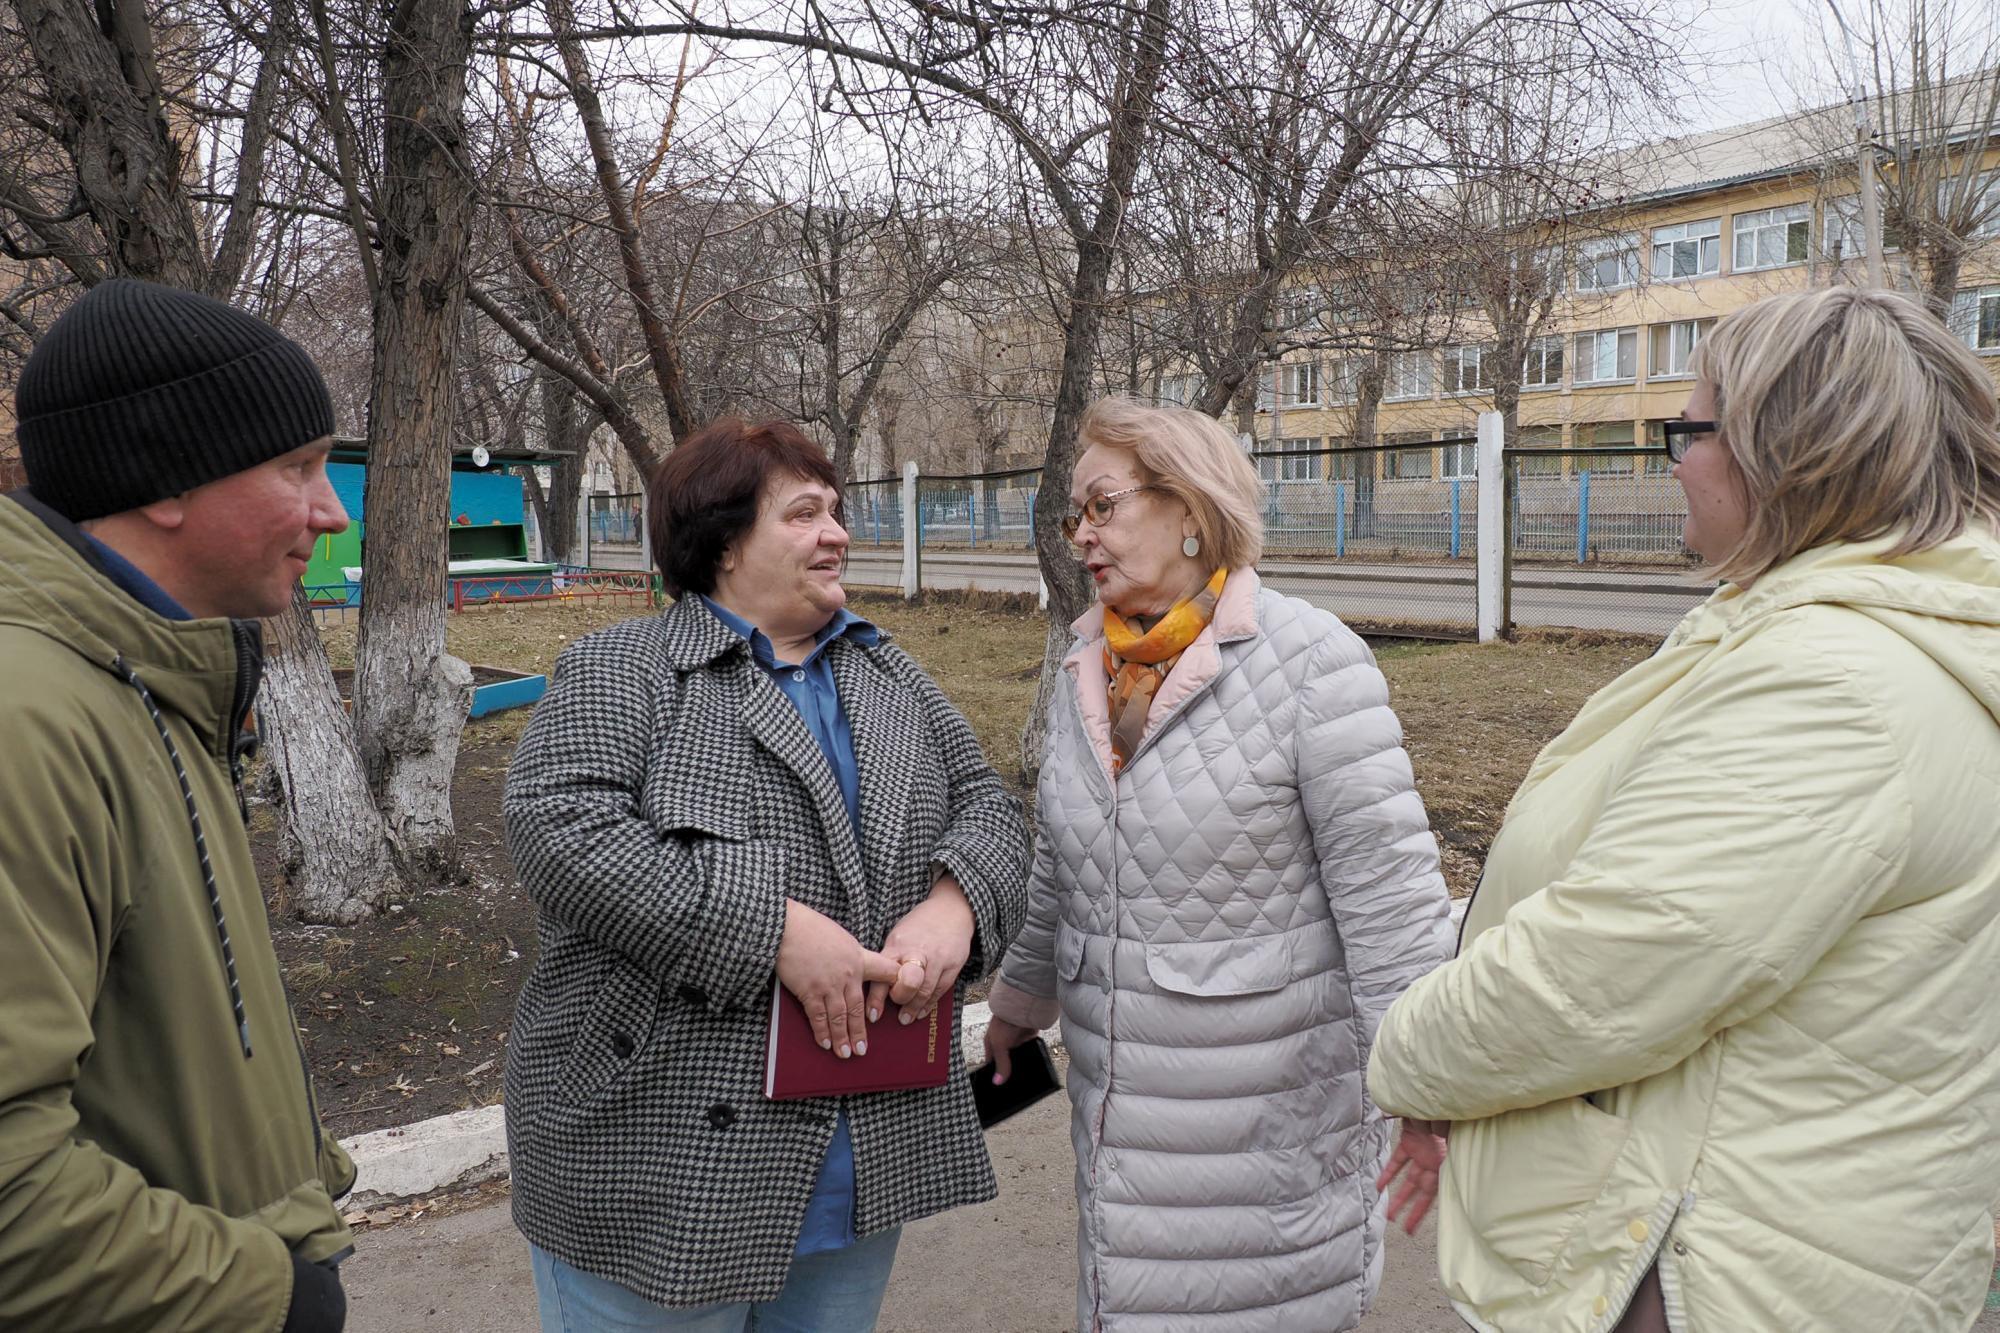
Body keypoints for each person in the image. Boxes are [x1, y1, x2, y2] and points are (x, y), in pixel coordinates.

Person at [1368, 286, 2000, 1331]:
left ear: (1786, 452)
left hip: (1710, 1268)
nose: (1671, 459)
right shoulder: (1841, 633)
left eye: (1687, 429)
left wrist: (1408, 1056)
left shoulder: (1833, 680)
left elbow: (1609, 963)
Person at [503, 418, 1031, 1331]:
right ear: (722, 543)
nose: (837, 533)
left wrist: (954, 908)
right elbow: (563, 832)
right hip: (659, 1164)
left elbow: (986, 803)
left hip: (859, 1157)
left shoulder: (886, 670)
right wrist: (775, 930)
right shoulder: (622, 669)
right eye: (804, 514)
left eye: (836, 511)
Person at [981, 396, 1454, 1331]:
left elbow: (1392, 908)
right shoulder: (1085, 660)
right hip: (1121, 1132)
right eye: (1076, 512)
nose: (1082, 533)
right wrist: (1017, 1006)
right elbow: (1061, 860)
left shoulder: (1314, 663)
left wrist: (1430, 1092)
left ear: (1190, 511)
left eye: (1102, 505)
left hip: (1263, 1136)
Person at [0, 279, 358, 1330]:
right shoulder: (32, 718)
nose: (330, 510)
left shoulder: (154, 679)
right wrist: (262, 1295)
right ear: (167, 479)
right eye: (296, 467)